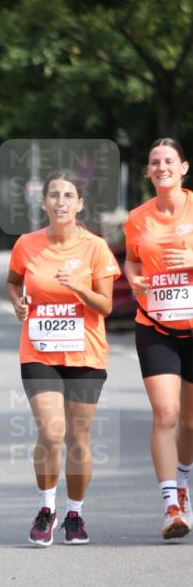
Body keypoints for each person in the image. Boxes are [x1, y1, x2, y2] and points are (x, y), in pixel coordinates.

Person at [6, 171, 120, 546]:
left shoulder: (95, 248)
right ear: (44, 203)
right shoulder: (27, 244)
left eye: (68, 195)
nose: (60, 202)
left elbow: (105, 306)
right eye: (53, 195)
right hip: (39, 351)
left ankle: (75, 512)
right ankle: (46, 507)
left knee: (79, 439)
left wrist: (81, 288)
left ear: (80, 204)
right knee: (51, 431)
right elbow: (12, 282)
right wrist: (18, 302)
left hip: (86, 353)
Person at [124, 138, 193, 541]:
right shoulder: (138, 217)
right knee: (165, 414)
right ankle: (170, 505)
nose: (162, 166)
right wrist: (134, 278)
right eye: (155, 162)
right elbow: (133, 257)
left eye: (169, 160)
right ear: (148, 172)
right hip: (155, 323)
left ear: (184, 167)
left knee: (189, 421)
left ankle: (183, 482)